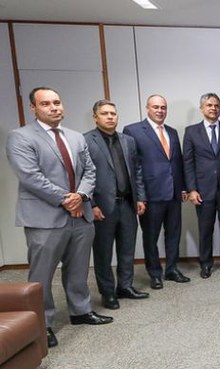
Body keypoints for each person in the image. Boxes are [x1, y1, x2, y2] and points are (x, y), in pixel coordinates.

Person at [6, 87, 113, 348]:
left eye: (57, 102)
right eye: (46, 104)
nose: (54, 108)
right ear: (34, 108)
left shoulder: (76, 137)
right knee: (41, 275)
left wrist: (82, 196)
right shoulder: (20, 137)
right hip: (45, 218)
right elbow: (30, 177)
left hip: (81, 215)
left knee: (78, 269)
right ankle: (43, 324)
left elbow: (90, 171)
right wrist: (68, 199)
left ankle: (81, 311)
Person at [84, 100, 149, 310]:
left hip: (128, 204)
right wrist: (90, 204)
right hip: (102, 207)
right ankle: (108, 292)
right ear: (96, 117)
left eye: (113, 113)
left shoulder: (128, 140)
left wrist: (140, 197)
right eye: (105, 113)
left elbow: (137, 170)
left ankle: (125, 286)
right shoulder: (86, 140)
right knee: (103, 252)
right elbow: (82, 175)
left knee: (127, 249)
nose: (110, 117)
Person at [124, 95, 190, 289]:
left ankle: (171, 269)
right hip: (150, 195)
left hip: (173, 194)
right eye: (156, 107)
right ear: (147, 109)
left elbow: (177, 162)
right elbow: (132, 165)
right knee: (150, 237)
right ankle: (155, 274)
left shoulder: (172, 131)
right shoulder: (133, 130)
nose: (160, 111)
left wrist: (183, 187)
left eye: (163, 107)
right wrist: (139, 196)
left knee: (173, 235)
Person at [183, 93, 220, 279]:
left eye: (216, 105)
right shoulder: (191, 131)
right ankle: (206, 263)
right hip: (202, 190)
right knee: (205, 229)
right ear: (202, 108)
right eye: (209, 105)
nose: (213, 108)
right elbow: (188, 162)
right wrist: (192, 189)